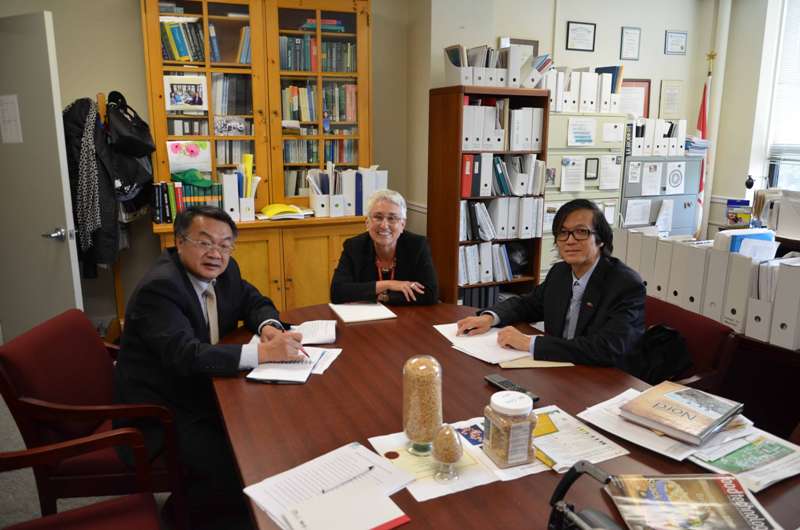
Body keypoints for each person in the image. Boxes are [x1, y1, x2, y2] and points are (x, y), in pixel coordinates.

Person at [114, 205, 303, 529]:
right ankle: (196, 516)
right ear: (179, 241)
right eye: (204, 242)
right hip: (163, 410)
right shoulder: (160, 288)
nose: (216, 253)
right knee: (242, 461)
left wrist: (269, 327)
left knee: (272, 434)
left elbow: (254, 301)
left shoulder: (225, 271)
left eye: (225, 245)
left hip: (202, 389)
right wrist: (263, 354)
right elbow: (186, 356)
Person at [456, 199, 645, 367]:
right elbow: (528, 304)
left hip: (604, 379)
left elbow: (607, 348)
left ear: (601, 240)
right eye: (563, 233)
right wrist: (490, 318)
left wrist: (529, 343)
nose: (570, 240)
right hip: (559, 369)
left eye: (581, 232)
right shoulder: (560, 273)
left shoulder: (626, 285)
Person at [330, 189, 438, 304]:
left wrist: (385, 297)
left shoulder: (417, 245)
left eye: (392, 218)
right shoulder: (353, 246)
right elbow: (337, 292)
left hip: (406, 314)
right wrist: (388, 284)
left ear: (402, 224)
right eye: (378, 217)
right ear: (367, 223)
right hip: (365, 314)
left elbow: (430, 294)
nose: (384, 225)